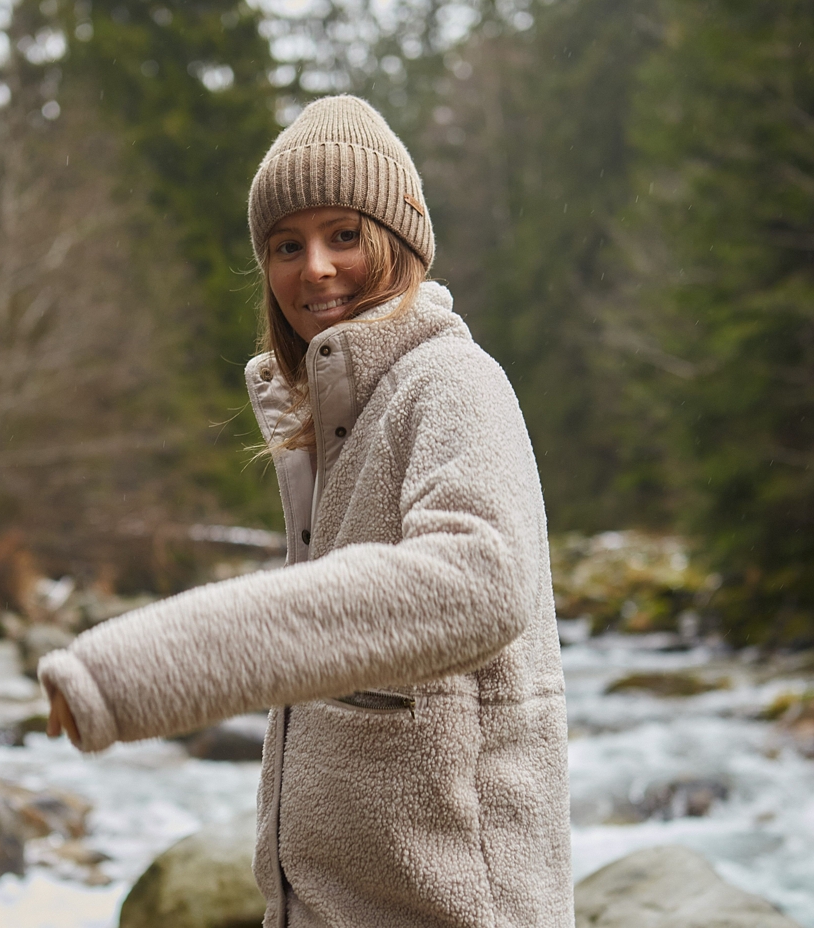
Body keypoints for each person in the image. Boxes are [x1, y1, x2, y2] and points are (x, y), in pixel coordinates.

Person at [41, 95, 573, 928]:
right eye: (287, 245)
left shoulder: (454, 384)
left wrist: (137, 670)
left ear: (399, 242)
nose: (314, 267)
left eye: (344, 235)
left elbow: (479, 582)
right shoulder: (331, 425)